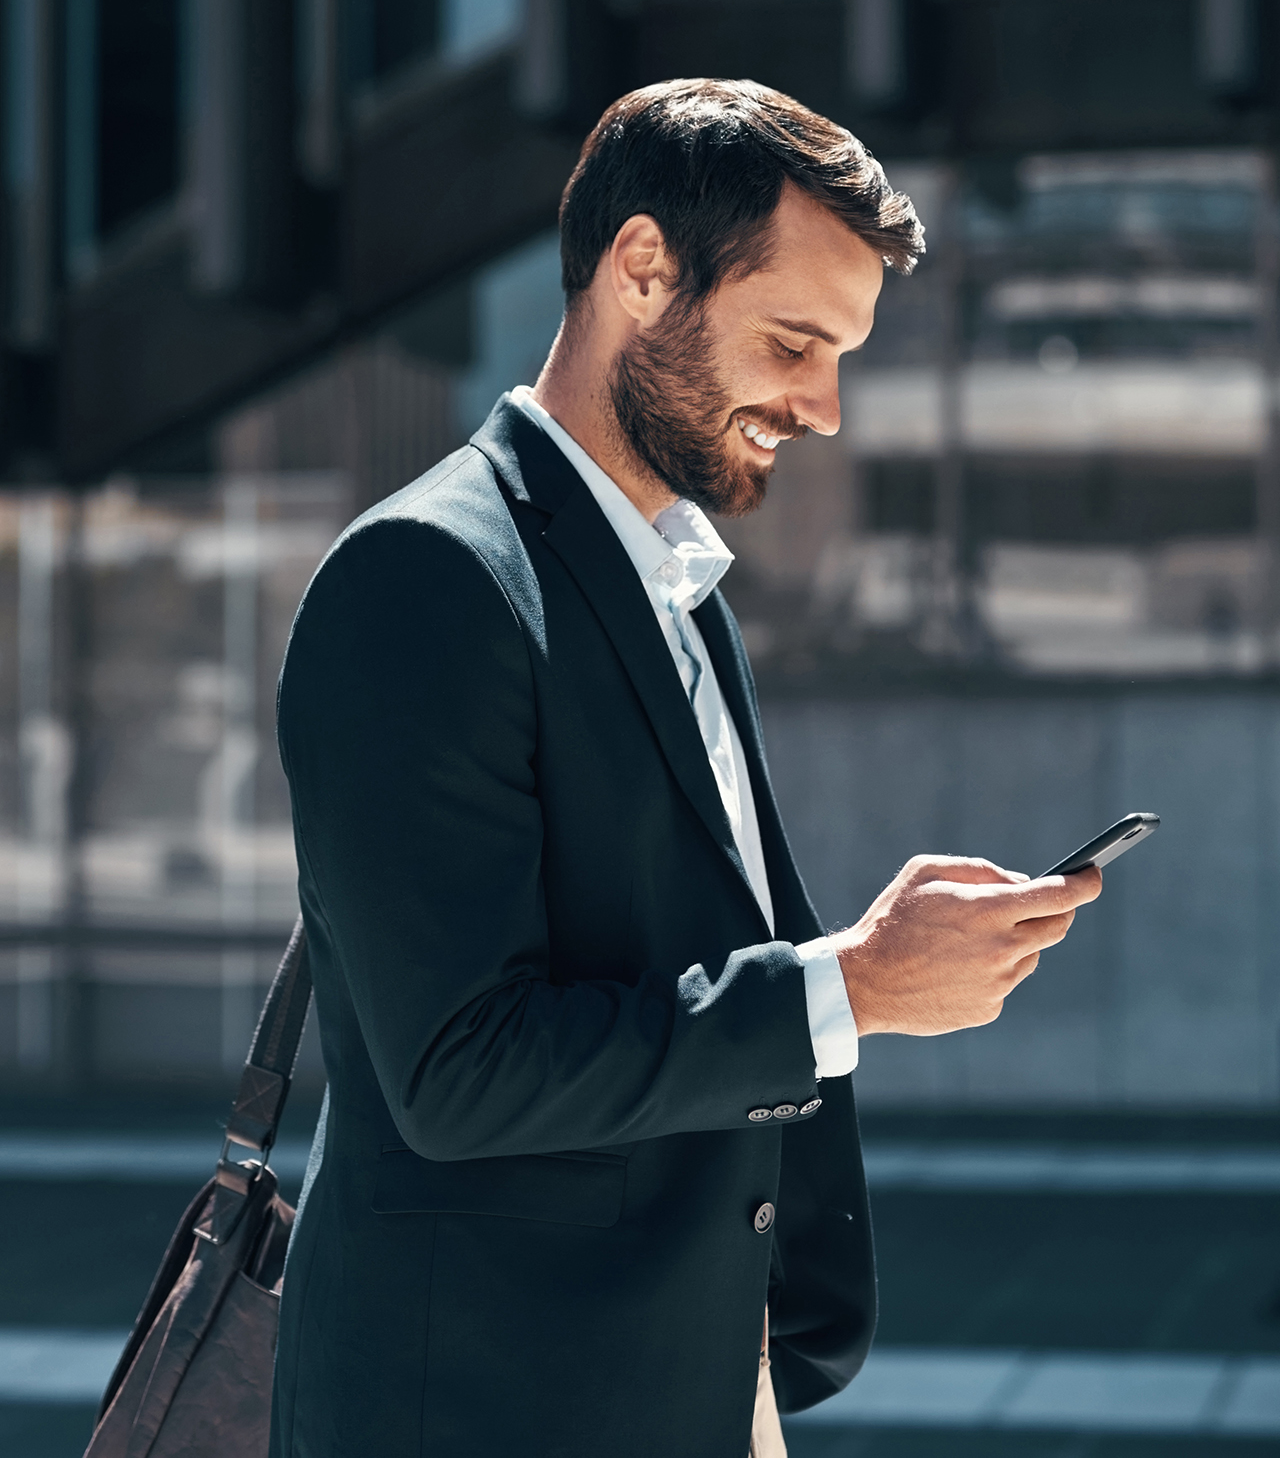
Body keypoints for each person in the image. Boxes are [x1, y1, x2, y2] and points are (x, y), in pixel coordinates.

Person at [270, 78, 1100, 1458]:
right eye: (793, 341)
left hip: (684, 1388)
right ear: (643, 270)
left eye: (841, 355)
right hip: (480, 1415)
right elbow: (458, 1069)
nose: (824, 406)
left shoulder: (679, 590)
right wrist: (851, 985)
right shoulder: (424, 580)